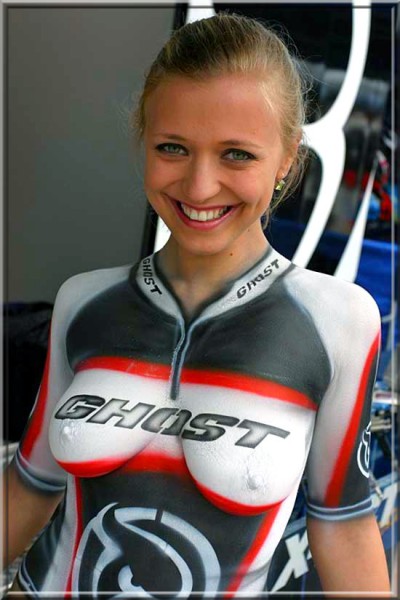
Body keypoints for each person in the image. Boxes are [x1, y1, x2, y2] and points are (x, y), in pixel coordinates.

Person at [3, 12, 391, 598]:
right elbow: (31, 485)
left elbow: (344, 528)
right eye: (173, 148)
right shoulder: (83, 301)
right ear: (144, 141)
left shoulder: (337, 323)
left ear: (287, 158)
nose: (200, 186)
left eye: (237, 154)